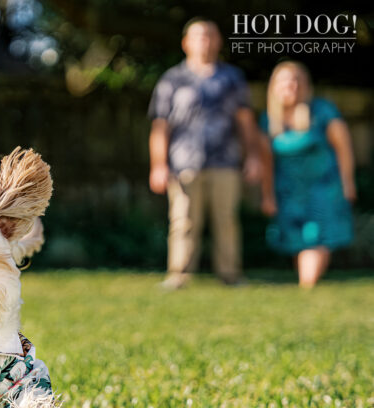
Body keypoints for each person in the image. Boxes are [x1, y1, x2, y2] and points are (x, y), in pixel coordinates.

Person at [148, 17, 262, 289]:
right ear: (186, 43)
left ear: (218, 41)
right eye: (199, 36)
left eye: (210, 35)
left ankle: (231, 275)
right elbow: (160, 126)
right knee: (183, 221)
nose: (205, 41)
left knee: (227, 220)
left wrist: (254, 156)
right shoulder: (172, 79)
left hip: (226, 161)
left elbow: (246, 122)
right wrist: (158, 165)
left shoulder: (232, 78)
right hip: (183, 163)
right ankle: (179, 274)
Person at [258, 61, 356, 288]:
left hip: (323, 188)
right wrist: (267, 195)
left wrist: (348, 182)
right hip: (289, 191)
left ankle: (307, 285)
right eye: (284, 81)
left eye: (295, 80)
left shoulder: (322, 111)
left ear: (304, 84)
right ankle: (307, 285)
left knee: (316, 237)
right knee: (298, 240)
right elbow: (266, 162)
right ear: (274, 87)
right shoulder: (269, 120)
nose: (290, 85)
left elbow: (344, 147)